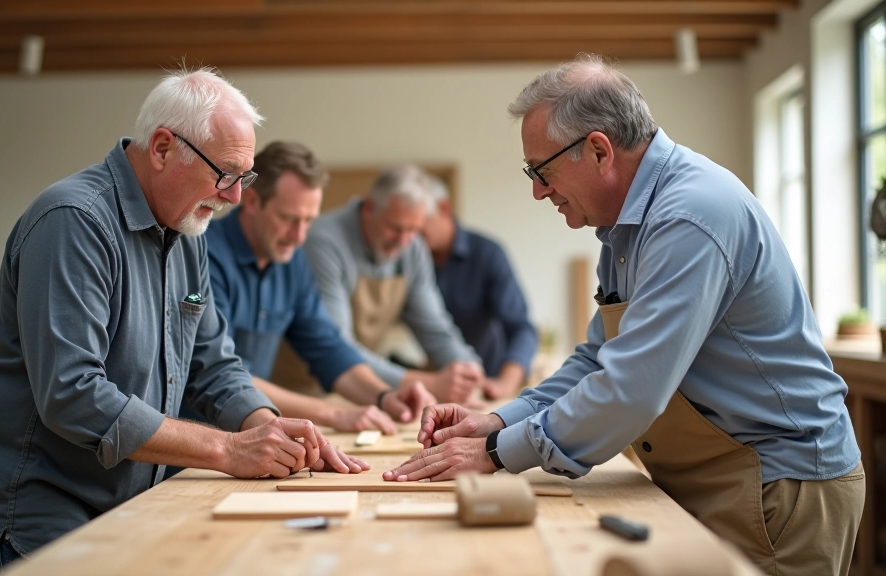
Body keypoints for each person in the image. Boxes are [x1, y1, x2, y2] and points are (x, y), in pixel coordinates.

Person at [385, 55, 863, 576]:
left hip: (777, 486)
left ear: (597, 150)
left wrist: (496, 452)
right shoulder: (626, 227)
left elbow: (632, 387)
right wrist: (497, 420)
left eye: (541, 170)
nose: (538, 190)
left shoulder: (688, 216)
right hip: (728, 477)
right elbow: (597, 360)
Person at [0, 69, 365, 576]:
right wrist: (229, 448)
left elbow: (213, 366)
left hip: (123, 497)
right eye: (226, 174)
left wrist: (270, 430)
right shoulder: (73, 221)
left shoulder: (188, 232)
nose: (234, 197)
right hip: (39, 502)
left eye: (244, 177)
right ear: (164, 148)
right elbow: (73, 395)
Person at [182, 140, 436, 435]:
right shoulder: (205, 257)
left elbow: (326, 347)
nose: (299, 235)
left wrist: (384, 396)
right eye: (289, 219)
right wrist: (333, 413)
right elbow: (222, 372)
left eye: (308, 221)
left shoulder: (291, 262)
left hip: (251, 437)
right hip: (197, 442)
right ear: (251, 201)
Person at [304, 164, 485, 405]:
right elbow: (336, 345)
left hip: (368, 393)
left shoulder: (413, 248)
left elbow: (434, 328)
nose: (404, 241)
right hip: (306, 391)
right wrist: (426, 384)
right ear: (369, 207)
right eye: (395, 228)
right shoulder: (323, 242)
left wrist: (467, 369)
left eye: (414, 230)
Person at [420, 178, 538, 399]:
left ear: (444, 208)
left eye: (420, 222)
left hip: (487, 384)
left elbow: (522, 328)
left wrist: (504, 384)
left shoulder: (487, 254)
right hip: (436, 387)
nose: (412, 232)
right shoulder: (408, 258)